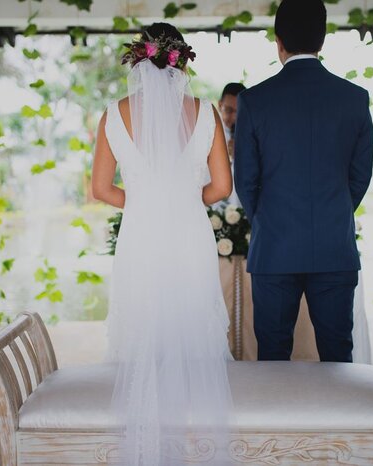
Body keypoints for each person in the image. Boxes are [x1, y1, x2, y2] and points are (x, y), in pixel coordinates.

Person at [91, 23, 235, 465]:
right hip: (190, 234)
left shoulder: (114, 114)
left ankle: (147, 442)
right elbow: (223, 186)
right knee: (191, 332)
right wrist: (185, 199)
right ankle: (198, 442)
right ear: (183, 61)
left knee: (143, 332)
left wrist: (143, 203)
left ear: (138, 59)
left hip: (141, 235)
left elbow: (100, 189)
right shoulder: (207, 112)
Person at [234, 0, 373, 363]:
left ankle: (278, 420)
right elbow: (359, 176)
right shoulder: (355, 99)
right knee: (337, 353)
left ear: (278, 41)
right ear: (323, 40)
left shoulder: (254, 101)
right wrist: (333, 210)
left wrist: (268, 219)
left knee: (273, 354)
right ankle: (334, 421)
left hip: (274, 249)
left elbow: (246, 181)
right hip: (334, 245)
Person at [213, 82, 245, 208]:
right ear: (220, 105)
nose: (235, 117)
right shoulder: (209, 130)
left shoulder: (252, 134)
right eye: (229, 110)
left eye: (239, 111)